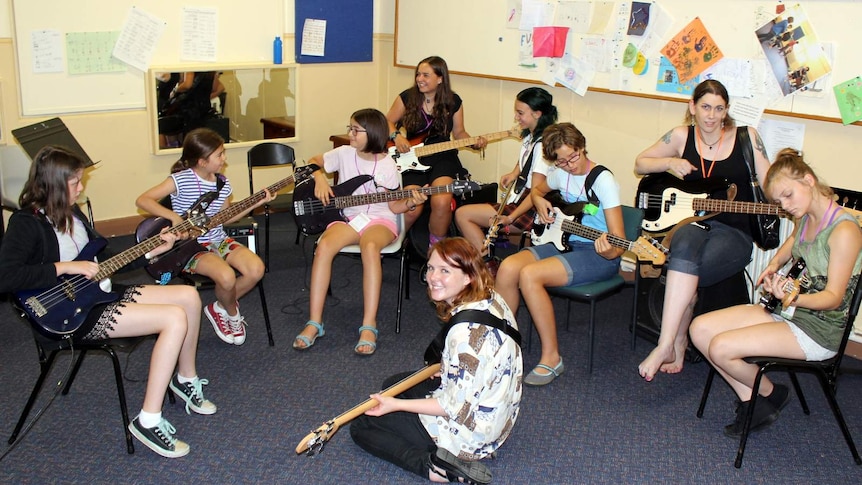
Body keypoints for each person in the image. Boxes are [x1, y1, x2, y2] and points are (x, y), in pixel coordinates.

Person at [0, 146, 216, 458]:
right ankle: (148, 420)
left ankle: (184, 379)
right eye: (74, 182)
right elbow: (6, 278)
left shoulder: (72, 214)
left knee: (188, 295)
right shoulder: (26, 223)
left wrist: (153, 250)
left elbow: (102, 263)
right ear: (54, 185)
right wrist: (64, 267)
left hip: (93, 292)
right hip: (66, 312)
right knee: (174, 318)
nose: (81, 187)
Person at [690, 149, 862, 437]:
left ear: (808, 180)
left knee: (721, 348)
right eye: (779, 201)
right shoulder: (807, 214)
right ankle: (760, 398)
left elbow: (833, 298)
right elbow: (794, 240)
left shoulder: (845, 231)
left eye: (787, 196)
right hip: (790, 311)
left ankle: (765, 395)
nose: (784, 206)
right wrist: (773, 265)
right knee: (699, 330)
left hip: (819, 329)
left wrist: (791, 297)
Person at [350, 237, 523, 484]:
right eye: (431, 268)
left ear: (468, 277)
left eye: (445, 270)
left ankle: (433, 468)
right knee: (396, 383)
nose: (433, 277)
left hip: (470, 435)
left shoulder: (463, 337)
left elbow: (449, 407)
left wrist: (394, 405)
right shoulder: (491, 297)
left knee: (363, 425)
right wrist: (449, 368)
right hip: (499, 414)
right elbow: (486, 356)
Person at [634, 79, 772, 381]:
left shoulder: (747, 137)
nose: (711, 116)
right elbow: (641, 163)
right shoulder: (682, 136)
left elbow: (770, 182)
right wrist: (671, 161)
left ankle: (673, 342)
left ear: (726, 111)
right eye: (705, 107)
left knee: (683, 269)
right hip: (690, 224)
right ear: (692, 107)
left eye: (719, 109)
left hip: (733, 232)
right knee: (684, 243)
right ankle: (669, 342)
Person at [495, 122, 625, 386]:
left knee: (530, 275)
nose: (570, 165)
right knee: (508, 267)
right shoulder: (559, 173)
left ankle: (552, 357)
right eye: (562, 161)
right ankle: (501, 341)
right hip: (562, 241)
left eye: (573, 156)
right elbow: (538, 190)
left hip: (597, 254)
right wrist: (541, 202)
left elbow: (619, 241)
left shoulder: (603, 180)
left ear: (582, 147)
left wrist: (610, 249)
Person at [292, 108, 426, 355]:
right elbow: (312, 161)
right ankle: (314, 322)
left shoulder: (388, 164)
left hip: (381, 219)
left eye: (356, 130)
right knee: (323, 247)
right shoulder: (343, 153)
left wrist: (411, 202)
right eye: (350, 128)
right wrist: (320, 179)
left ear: (372, 133)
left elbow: (394, 205)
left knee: (371, 247)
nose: (350, 134)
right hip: (349, 217)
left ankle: (369, 324)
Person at [137, 128, 270, 346]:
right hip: (192, 247)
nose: (224, 159)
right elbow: (143, 200)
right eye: (219, 155)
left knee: (256, 269)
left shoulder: (222, 183)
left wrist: (256, 202)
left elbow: (225, 218)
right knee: (226, 277)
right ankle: (232, 313)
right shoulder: (179, 180)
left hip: (218, 239)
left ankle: (220, 306)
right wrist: (173, 217)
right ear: (201, 161)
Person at [386, 56, 488, 250]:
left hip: (443, 156)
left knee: (442, 200)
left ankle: (436, 249)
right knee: (411, 204)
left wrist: (474, 143)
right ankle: (394, 241)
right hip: (412, 157)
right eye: (418, 74)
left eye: (426, 75)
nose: (419, 79)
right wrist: (397, 136)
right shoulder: (407, 97)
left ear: (440, 78)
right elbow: (387, 121)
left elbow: (459, 133)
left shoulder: (453, 101)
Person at [454, 87, 558, 256]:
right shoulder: (531, 137)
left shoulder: (543, 146)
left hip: (531, 209)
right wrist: (514, 173)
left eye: (520, 113)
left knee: (463, 214)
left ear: (537, 114)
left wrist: (510, 218)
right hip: (522, 200)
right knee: (464, 214)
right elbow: (526, 159)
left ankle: (486, 264)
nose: (516, 117)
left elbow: (536, 194)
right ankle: (486, 260)